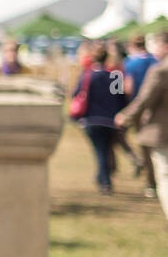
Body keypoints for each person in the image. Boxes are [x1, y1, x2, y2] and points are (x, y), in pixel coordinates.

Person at [116, 32, 168, 221]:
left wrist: (125, 113)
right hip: (153, 118)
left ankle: (149, 185)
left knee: (163, 172)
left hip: (157, 123)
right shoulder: (152, 63)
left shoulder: (151, 67)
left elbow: (129, 90)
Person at [72, 49, 127, 194]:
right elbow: (121, 99)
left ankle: (105, 181)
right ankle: (102, 177)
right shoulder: (115, 76)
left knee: (100, 151)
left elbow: (77, 94)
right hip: (111, 120)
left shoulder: (87, 75)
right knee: (105, 150)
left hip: (92, 120)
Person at [124, 35, 159, 198]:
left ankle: (151, 183)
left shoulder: (129, 64)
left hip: (139, 109)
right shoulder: (157, 61)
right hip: (158, 110)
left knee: (146, 148)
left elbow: (122, 89)